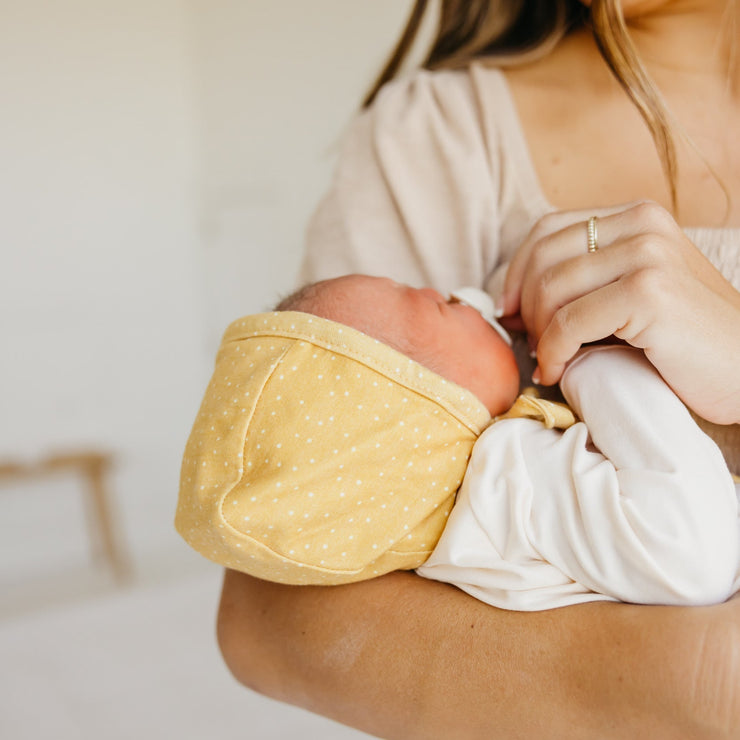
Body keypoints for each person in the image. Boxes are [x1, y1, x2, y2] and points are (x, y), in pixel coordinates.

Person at [216, 1, 740, 737]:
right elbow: (266, 615)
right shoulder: (441, 137)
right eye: (438, 307)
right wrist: (698, 682)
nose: (475, 304)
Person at [177, 273, 738, 608]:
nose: (467, 294)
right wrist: (596, 361)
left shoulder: (461, 516)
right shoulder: (503, 472)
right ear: (427, 401)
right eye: (443, 304)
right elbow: (696, 563)